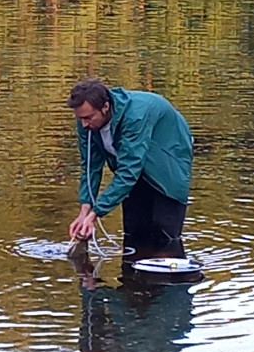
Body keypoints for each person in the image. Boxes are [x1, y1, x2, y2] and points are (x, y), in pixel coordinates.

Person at [66, 78, 193, 257]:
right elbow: (90, 166)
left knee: (164, 235)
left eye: (88, 118)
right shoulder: (86, 124)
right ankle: (132, 281)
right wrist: (84, 212)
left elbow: (128, 172)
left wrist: (96, 214)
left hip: (169, 158)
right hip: (133, 165)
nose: (84, 124)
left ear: (105, 107)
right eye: (80, 118)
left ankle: (169, 280)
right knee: (134, 231)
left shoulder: (135, 116)